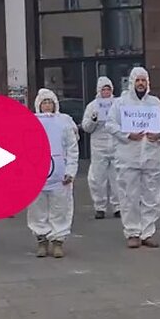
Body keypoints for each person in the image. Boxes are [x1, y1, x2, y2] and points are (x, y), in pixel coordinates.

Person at [107, 67, 160, 249]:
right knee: (129, 196)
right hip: (128, 157)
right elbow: (110, 124)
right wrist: (127, 135)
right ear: (132, 82)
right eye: (138, 80)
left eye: (144, 80)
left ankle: (147, 232)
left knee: (153, 195)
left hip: (152, 157)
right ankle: (133, 232)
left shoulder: (155, 102)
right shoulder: (120, 103)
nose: (141, 84)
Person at [29, 88, 80, 258]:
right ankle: (41, 241)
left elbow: (72, 149)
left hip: (59, 176)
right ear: (38, 105)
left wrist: (70, 171)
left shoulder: (63, 123)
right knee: (38, 210)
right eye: (44, 102)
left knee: (60, 209)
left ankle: (58, 241)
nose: (47, 105)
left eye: (50, 102)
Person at [81, 76, 121, 220]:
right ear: (99, 90)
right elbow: (86, 127)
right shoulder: (93, 106)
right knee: (98, 179)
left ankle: (118, 207)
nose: (106, 92)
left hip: (116, 145)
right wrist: (93, 120)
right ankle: (100, 207)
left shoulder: (118, 104)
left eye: (108, 89)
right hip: (99, 147)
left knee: (117, 178)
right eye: (103, 89)